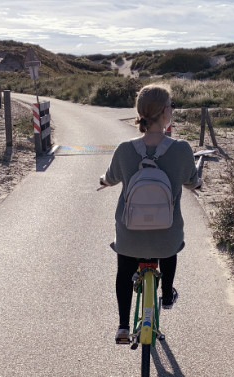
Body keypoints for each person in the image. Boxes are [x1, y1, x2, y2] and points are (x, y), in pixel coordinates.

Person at [99, 84, 202, 344]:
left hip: (130, 235)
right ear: (166, 112)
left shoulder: (124, 149)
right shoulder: (181, 149)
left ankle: (123, 326)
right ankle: (166, 294)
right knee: (171, 246)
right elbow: (192, 181)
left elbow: (110, 178)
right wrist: (195, 182)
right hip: (166, 235)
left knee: (124, 270)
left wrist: (103, 179)